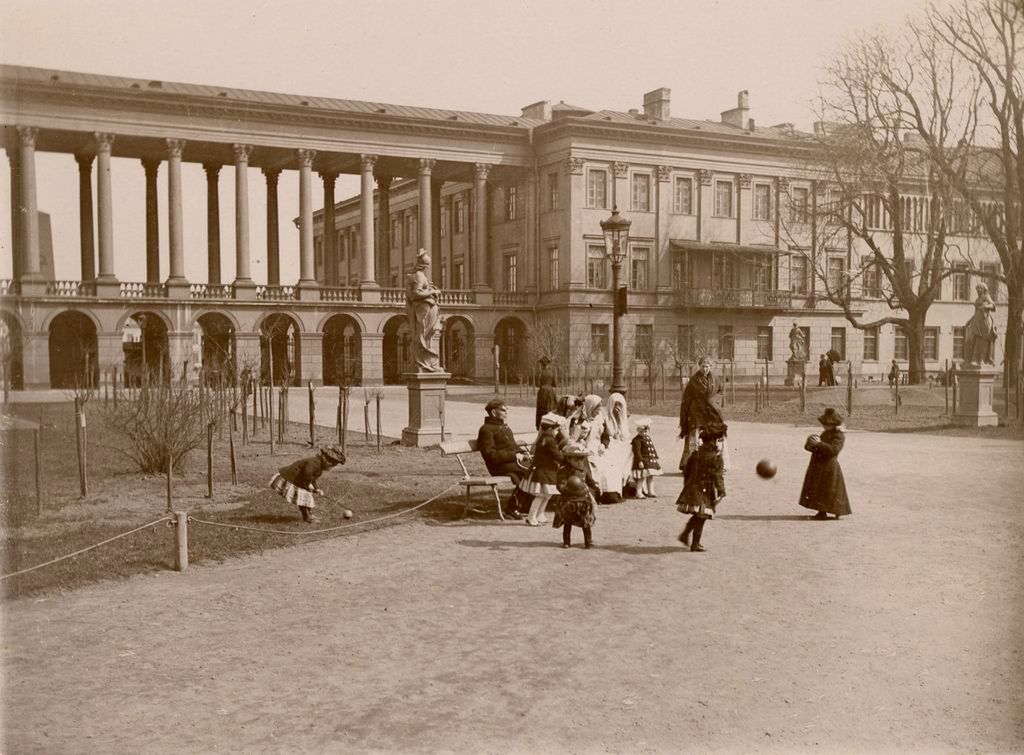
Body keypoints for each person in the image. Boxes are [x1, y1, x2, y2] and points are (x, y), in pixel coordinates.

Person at [675, 423, 727, 552]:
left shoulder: (695, 454)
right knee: (702, 516)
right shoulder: (716, 457)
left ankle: (686, 535)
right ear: (714, 441)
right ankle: (694, 542)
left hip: (692, 488)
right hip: (705, 490)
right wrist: (721, 491)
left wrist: (687, 487)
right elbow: (718, 476)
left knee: (700, 515)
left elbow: (686, 472)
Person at [477, 398, 528, 518]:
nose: (506, 413)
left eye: (506, 410)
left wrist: (522, 452)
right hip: (498, 466)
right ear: (494, 412)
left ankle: (523, 505)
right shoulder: (486, 430)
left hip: (510, 462)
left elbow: (513, 446)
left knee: (535, 470)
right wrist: (514, 455)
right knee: (529, 472)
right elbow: (490, 455)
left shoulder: (504, 427)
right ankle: (512, 508)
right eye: (503, 410)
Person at [269, 445, 346, 523]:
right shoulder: (314, 463)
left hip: (300, 480)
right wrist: (308, 486)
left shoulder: (319, 466)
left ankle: (308, 515)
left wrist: (316, 489)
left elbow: (312, 478)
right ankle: (307, 517)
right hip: (292, 477)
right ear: (327, 461)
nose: (330, 468)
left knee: (306, 497)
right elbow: (307, 474)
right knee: (305, 497)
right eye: (331, 465)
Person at [799, 407, 852, 520]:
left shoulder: (839, 436)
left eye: (827, 424)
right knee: (820, 490)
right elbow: (816, 448)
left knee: (831, 491)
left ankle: (837, 511)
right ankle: (821, 512)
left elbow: (833, 450)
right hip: (819, 466)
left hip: (830, 467)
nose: (824, 426)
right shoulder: (824, 434)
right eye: (824, 423)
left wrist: (818, 444)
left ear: (834, 424)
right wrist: (810, 445)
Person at [678, 356, 726, 475]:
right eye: (703, 366)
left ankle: (715, 465)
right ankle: (690, 466)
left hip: (711, 413)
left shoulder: (715, 379)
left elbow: (721, 391)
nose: (705, 369)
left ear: (711, 367)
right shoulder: (694, 381)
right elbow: (686, 399)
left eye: (707, 366)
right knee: (694, 439)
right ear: (699, 366)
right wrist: (684, 417)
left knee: (713, 438)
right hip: (697, 413)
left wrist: (715, 404)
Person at [519, 412, 565, 526]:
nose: (557, 432)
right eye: (556, 430)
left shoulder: (545, 439)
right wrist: (566, 459)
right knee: (541, 495)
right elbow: (556, 455)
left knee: (547, 494)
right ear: (549, 429)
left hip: (548, 472)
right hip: (543, 472)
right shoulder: (549, 441)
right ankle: (531, 517)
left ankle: (540, 514)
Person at [405, 248, 443, 372]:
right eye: (427, 265)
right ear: (423, 265)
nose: (427, 267)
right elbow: (416, 294)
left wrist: (430, 289)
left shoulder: (419, 275)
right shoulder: (419, 276)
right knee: (422, 335)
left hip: (426, 308)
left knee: (426, 335)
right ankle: (425, 364)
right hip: (423, 309)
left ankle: (426, 363)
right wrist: (433, 291)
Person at [552, 474, 595, 549]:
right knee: (586, 526)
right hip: (582, 511)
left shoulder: (565, 491)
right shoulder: (584, 490)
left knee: (567, 525)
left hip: (569, 511)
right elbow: (589, 502)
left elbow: (560, 502)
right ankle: (588, 542)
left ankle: (566, 542)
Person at [964, 282, 997, 365]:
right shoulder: (977, 300)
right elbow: (975, 313)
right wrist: (969, 321)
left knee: (983, 340)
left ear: (983, 289)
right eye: (977, 288)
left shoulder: (986, 297)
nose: (978, 290)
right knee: (974, 339)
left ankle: (981, 359)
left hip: (985, 321)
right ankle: (974, 358)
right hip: (977, 321)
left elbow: (993, 306)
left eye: (980, 288)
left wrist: (985, 306)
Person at [630, 417, 662, 498]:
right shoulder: (636, 440)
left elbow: (651, 447)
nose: (644, 433)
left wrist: (655, 455)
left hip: (650, 460)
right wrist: (640, 461)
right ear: (638, 430)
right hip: (643, 461)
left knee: (650, 477)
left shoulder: (647, 437)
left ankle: (651, 491)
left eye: (645, 431)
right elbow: (637, 452)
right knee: (641, 477)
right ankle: (638, 492)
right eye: (641, 431)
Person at [534, 356, 558, 429]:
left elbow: (537, 384)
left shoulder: (540, 373)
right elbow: (555, 384)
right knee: (551, 408)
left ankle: (541, 425)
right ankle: (552, 423)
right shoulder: (552, 372)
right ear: (548, 364)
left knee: (541, 409)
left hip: (543, 392)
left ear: (541, 364)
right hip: (551, 392)